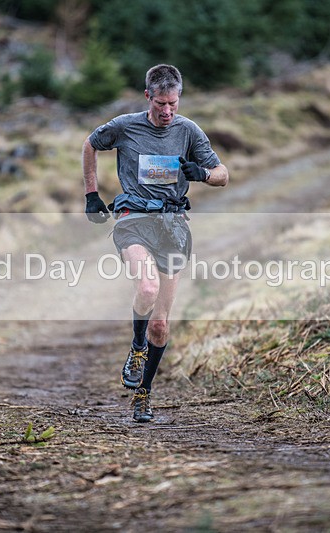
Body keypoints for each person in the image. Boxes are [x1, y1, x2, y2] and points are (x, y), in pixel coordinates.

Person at [82, 64, 229, 422]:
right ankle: (136, 347)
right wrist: (91, 195)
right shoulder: (125, 126)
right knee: (147, 288)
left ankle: (143, 395)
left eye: (173, 104)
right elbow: (90, 144)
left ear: (179, 99)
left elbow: (223, 175)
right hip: (134, 219)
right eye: (161, 103)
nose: (167, 112)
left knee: (161, 326)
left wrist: (204, 175)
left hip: (173, 226)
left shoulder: (189, 131)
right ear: (148, 96)